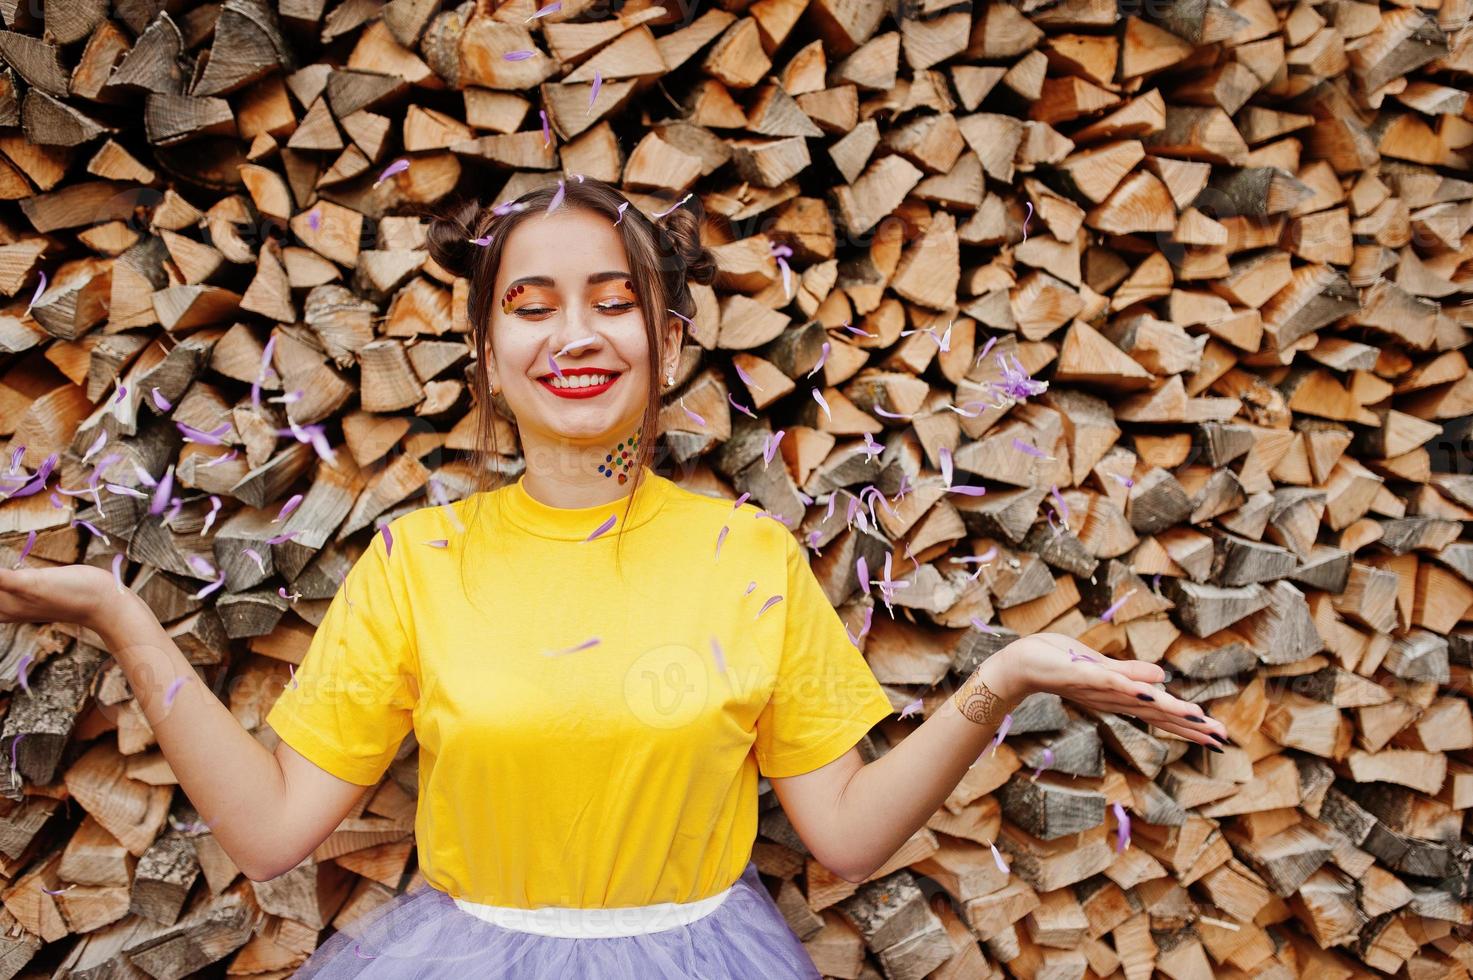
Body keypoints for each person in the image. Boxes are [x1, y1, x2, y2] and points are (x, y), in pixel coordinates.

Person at [0, 177, 1227, 978]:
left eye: (613, 301)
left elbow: (845, 835)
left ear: (670, 338)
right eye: (531, 307)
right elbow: (271, 830)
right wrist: (116, 612)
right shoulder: (419, 563)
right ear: (486, 353)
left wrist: (1000, 679)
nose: (575, 335)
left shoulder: (748, 556)